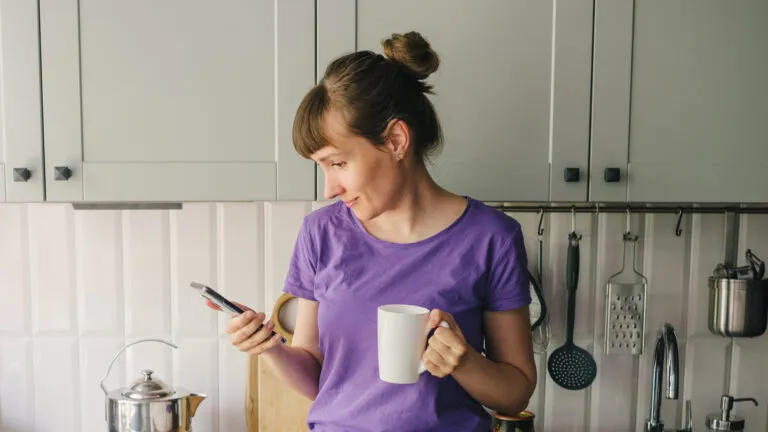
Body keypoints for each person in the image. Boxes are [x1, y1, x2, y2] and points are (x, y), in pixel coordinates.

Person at [214, 31, 536, 431]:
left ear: (396, 140)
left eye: (338, 163)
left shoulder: (492, 238)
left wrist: (464, 362)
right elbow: (318, 378)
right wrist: (269, 349)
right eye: (321, 167)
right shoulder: (321, 233)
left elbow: (516, 392)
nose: (329, 188)